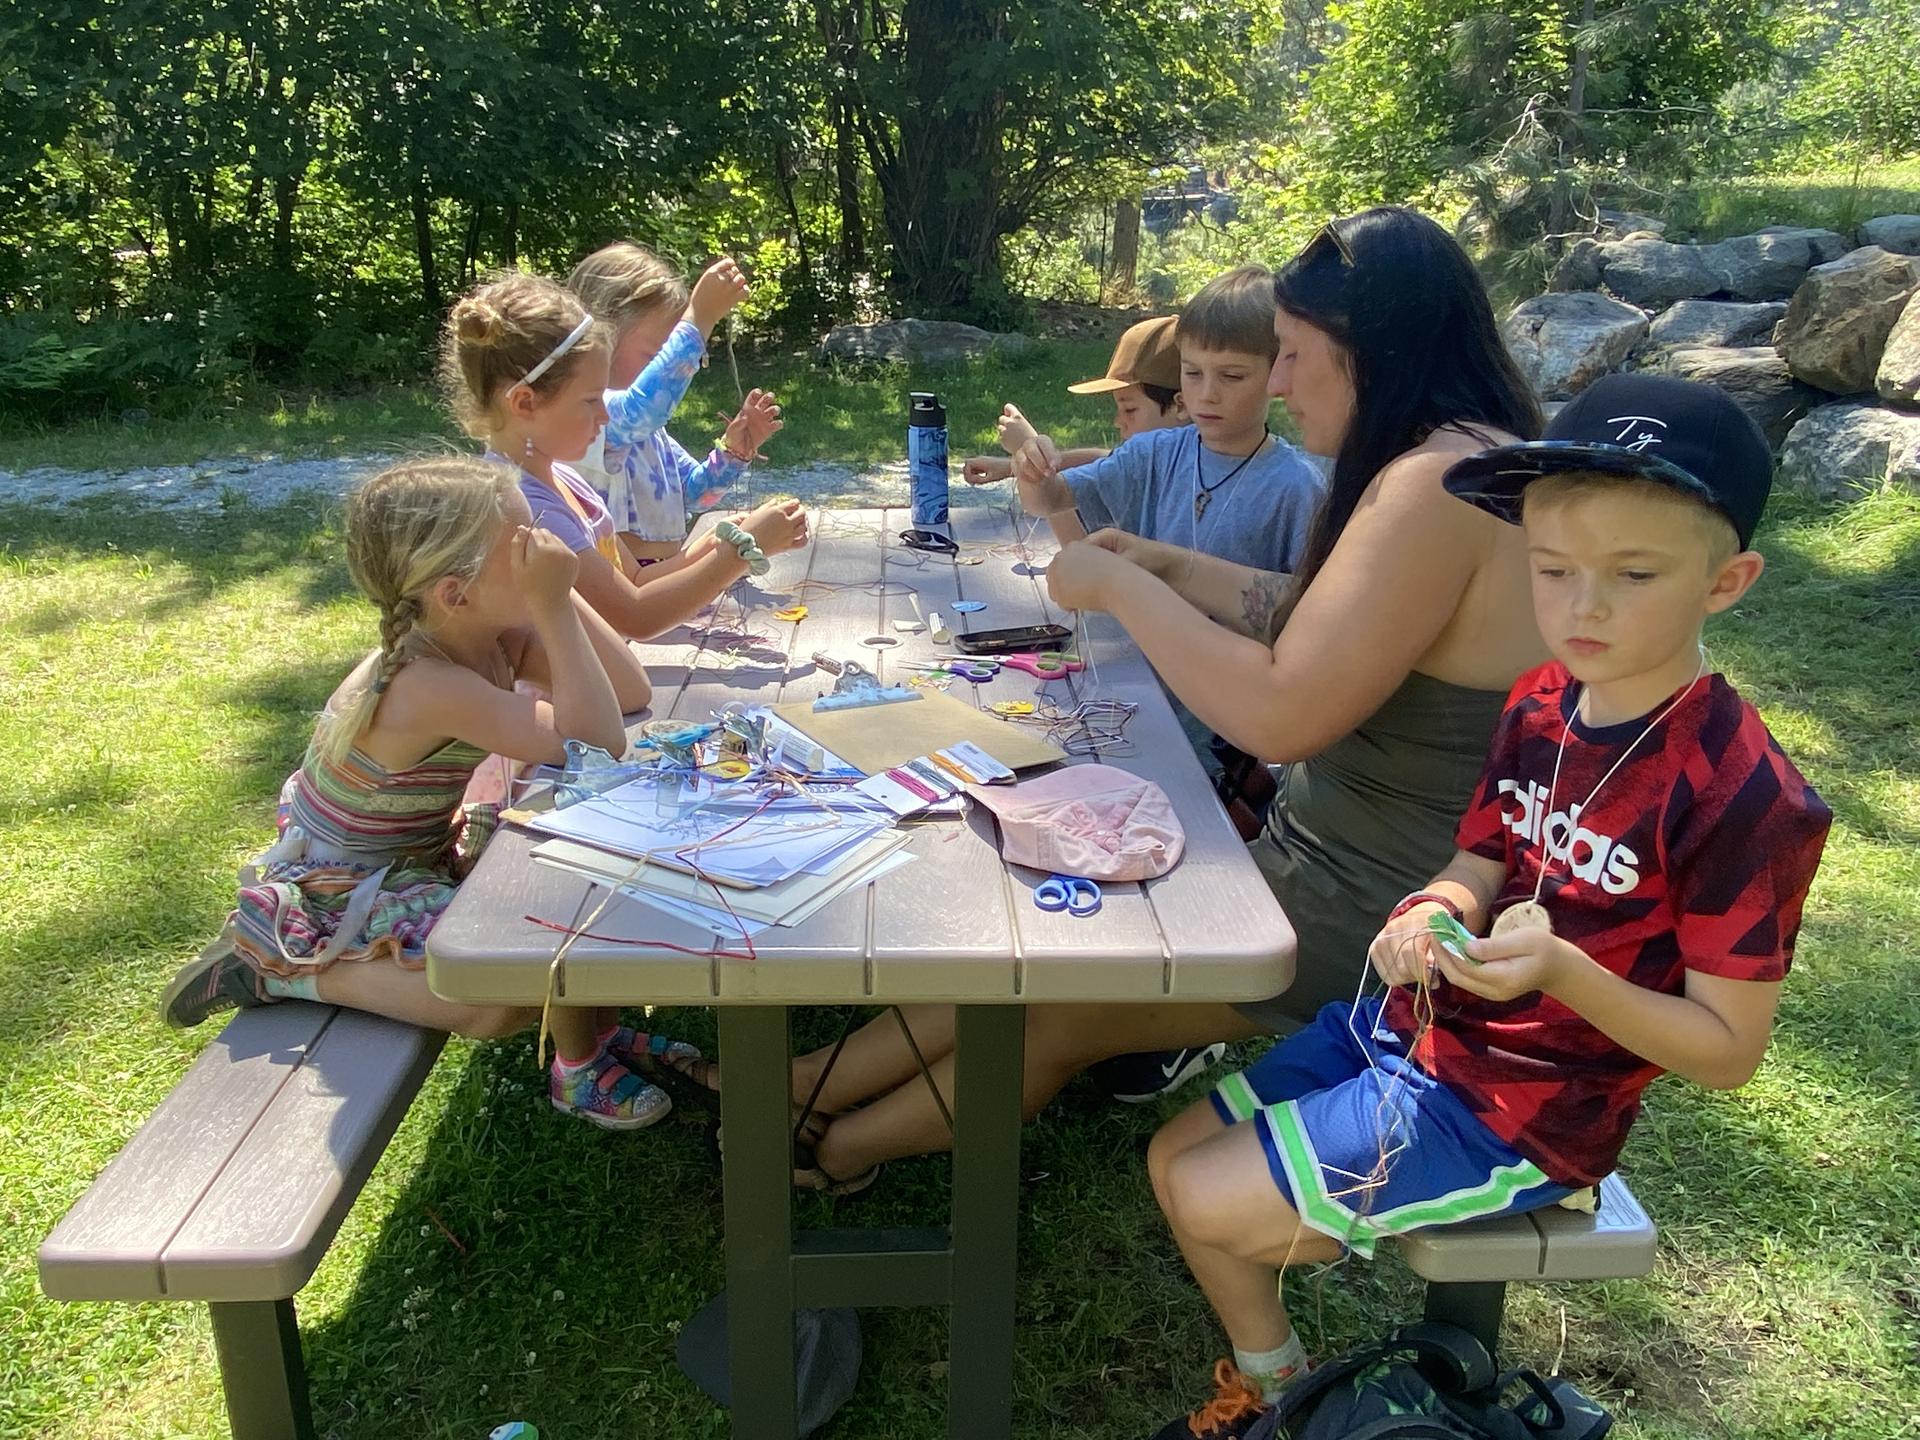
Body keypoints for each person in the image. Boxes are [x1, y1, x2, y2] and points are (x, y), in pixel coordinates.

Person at [754, 208, 1545, 1185]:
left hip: (1379, 910)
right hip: (1344, 866)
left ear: (1367, 352)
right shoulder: (1466, 455)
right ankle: (795, 1086)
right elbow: (1319, 614)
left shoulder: (1437, 482)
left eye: (1293, 357)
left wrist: (1122, 583)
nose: (1284, 383)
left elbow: (1280, 711)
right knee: (1037, 935)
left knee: (1060, 992)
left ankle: (824, 1146)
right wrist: (1164, 559)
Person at [1142, 373, 1831, 1439]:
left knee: (1207, 1198)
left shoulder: (1747, 797)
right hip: (1417, 1033)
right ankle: (1280, 1393)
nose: (1583, 607)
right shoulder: (1542, 698)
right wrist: (1435, 902)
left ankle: (1292, 1396)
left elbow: (1728, 1050)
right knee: (1171, 1158)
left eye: (1633, 574)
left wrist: (1562, 971)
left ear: (1727, 581)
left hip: (1528, 1109)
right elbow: (1484, 851)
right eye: (1553, 571)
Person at [158, 458, 712, 1130]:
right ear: (456, 593)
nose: (546, 551)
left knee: (573, 879)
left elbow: (628, 693)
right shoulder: (429, 682)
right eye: (524, 545)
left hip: (415, 851)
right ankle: (276, 956)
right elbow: (597, 741)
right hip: (347, 883)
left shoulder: (492, 636)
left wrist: (552, 599)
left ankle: (595, 1033)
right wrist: (553, 602)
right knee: (498, 998)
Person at [439, 271, 808, 641]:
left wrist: (721, 539)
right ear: (525, 403)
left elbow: (635, 579)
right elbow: (634, 617)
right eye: (590, 400)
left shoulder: (562, 479)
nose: (604, 415)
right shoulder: (526, 509)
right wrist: (743, 551)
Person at [1006, 267, 1324, 570]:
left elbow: (1305, 605)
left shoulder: (1297, 488)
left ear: (1277, 375)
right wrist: (1032, 469)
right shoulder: (1153, 454)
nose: (1207, 393)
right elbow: (1048, 500)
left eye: (1231, 375)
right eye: (1193, 373)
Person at [564, 243, 796, 573]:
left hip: (660, 579)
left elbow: (692, 495)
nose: (668, 368)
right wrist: (700, 317)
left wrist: (733, 455)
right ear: (600, 336)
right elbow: (643, 408)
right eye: (657, 355)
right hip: (618, 592)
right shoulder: (585, 416)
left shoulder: (649, 431)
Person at [960, 315, 1187, 486]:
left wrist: (1033, 453)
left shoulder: (1175, 482)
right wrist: (1012, 467)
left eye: (1130, 409)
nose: (1118, 421)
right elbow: (1104, 458)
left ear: (1182, 405)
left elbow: (1073, 536)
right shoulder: (1163, 458)